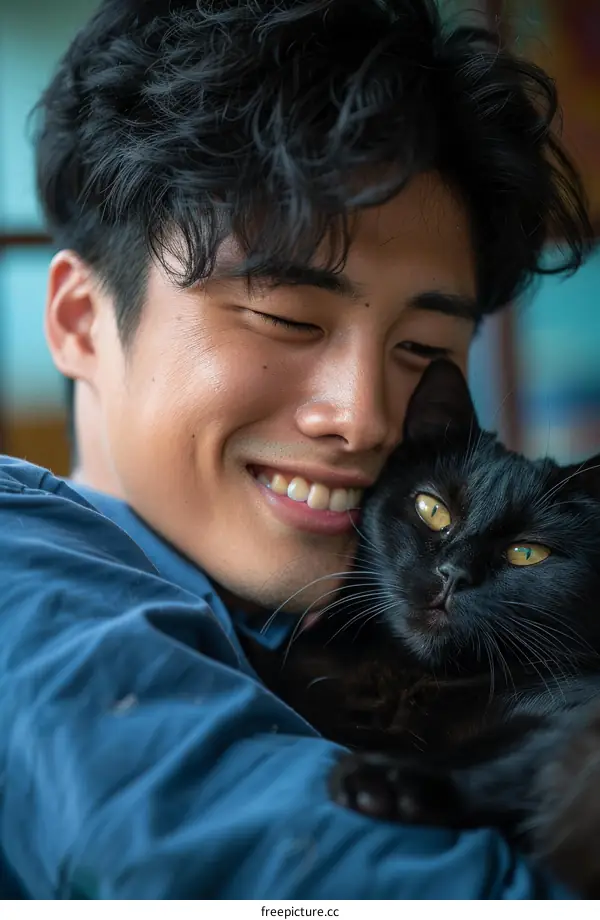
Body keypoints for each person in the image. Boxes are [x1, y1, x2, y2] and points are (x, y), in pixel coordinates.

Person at [0, 0, 594, 899]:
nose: (363, 419)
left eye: (423, 353)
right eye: (286, 316)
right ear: (80, 320)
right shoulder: (23, 570)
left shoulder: (356, 628)